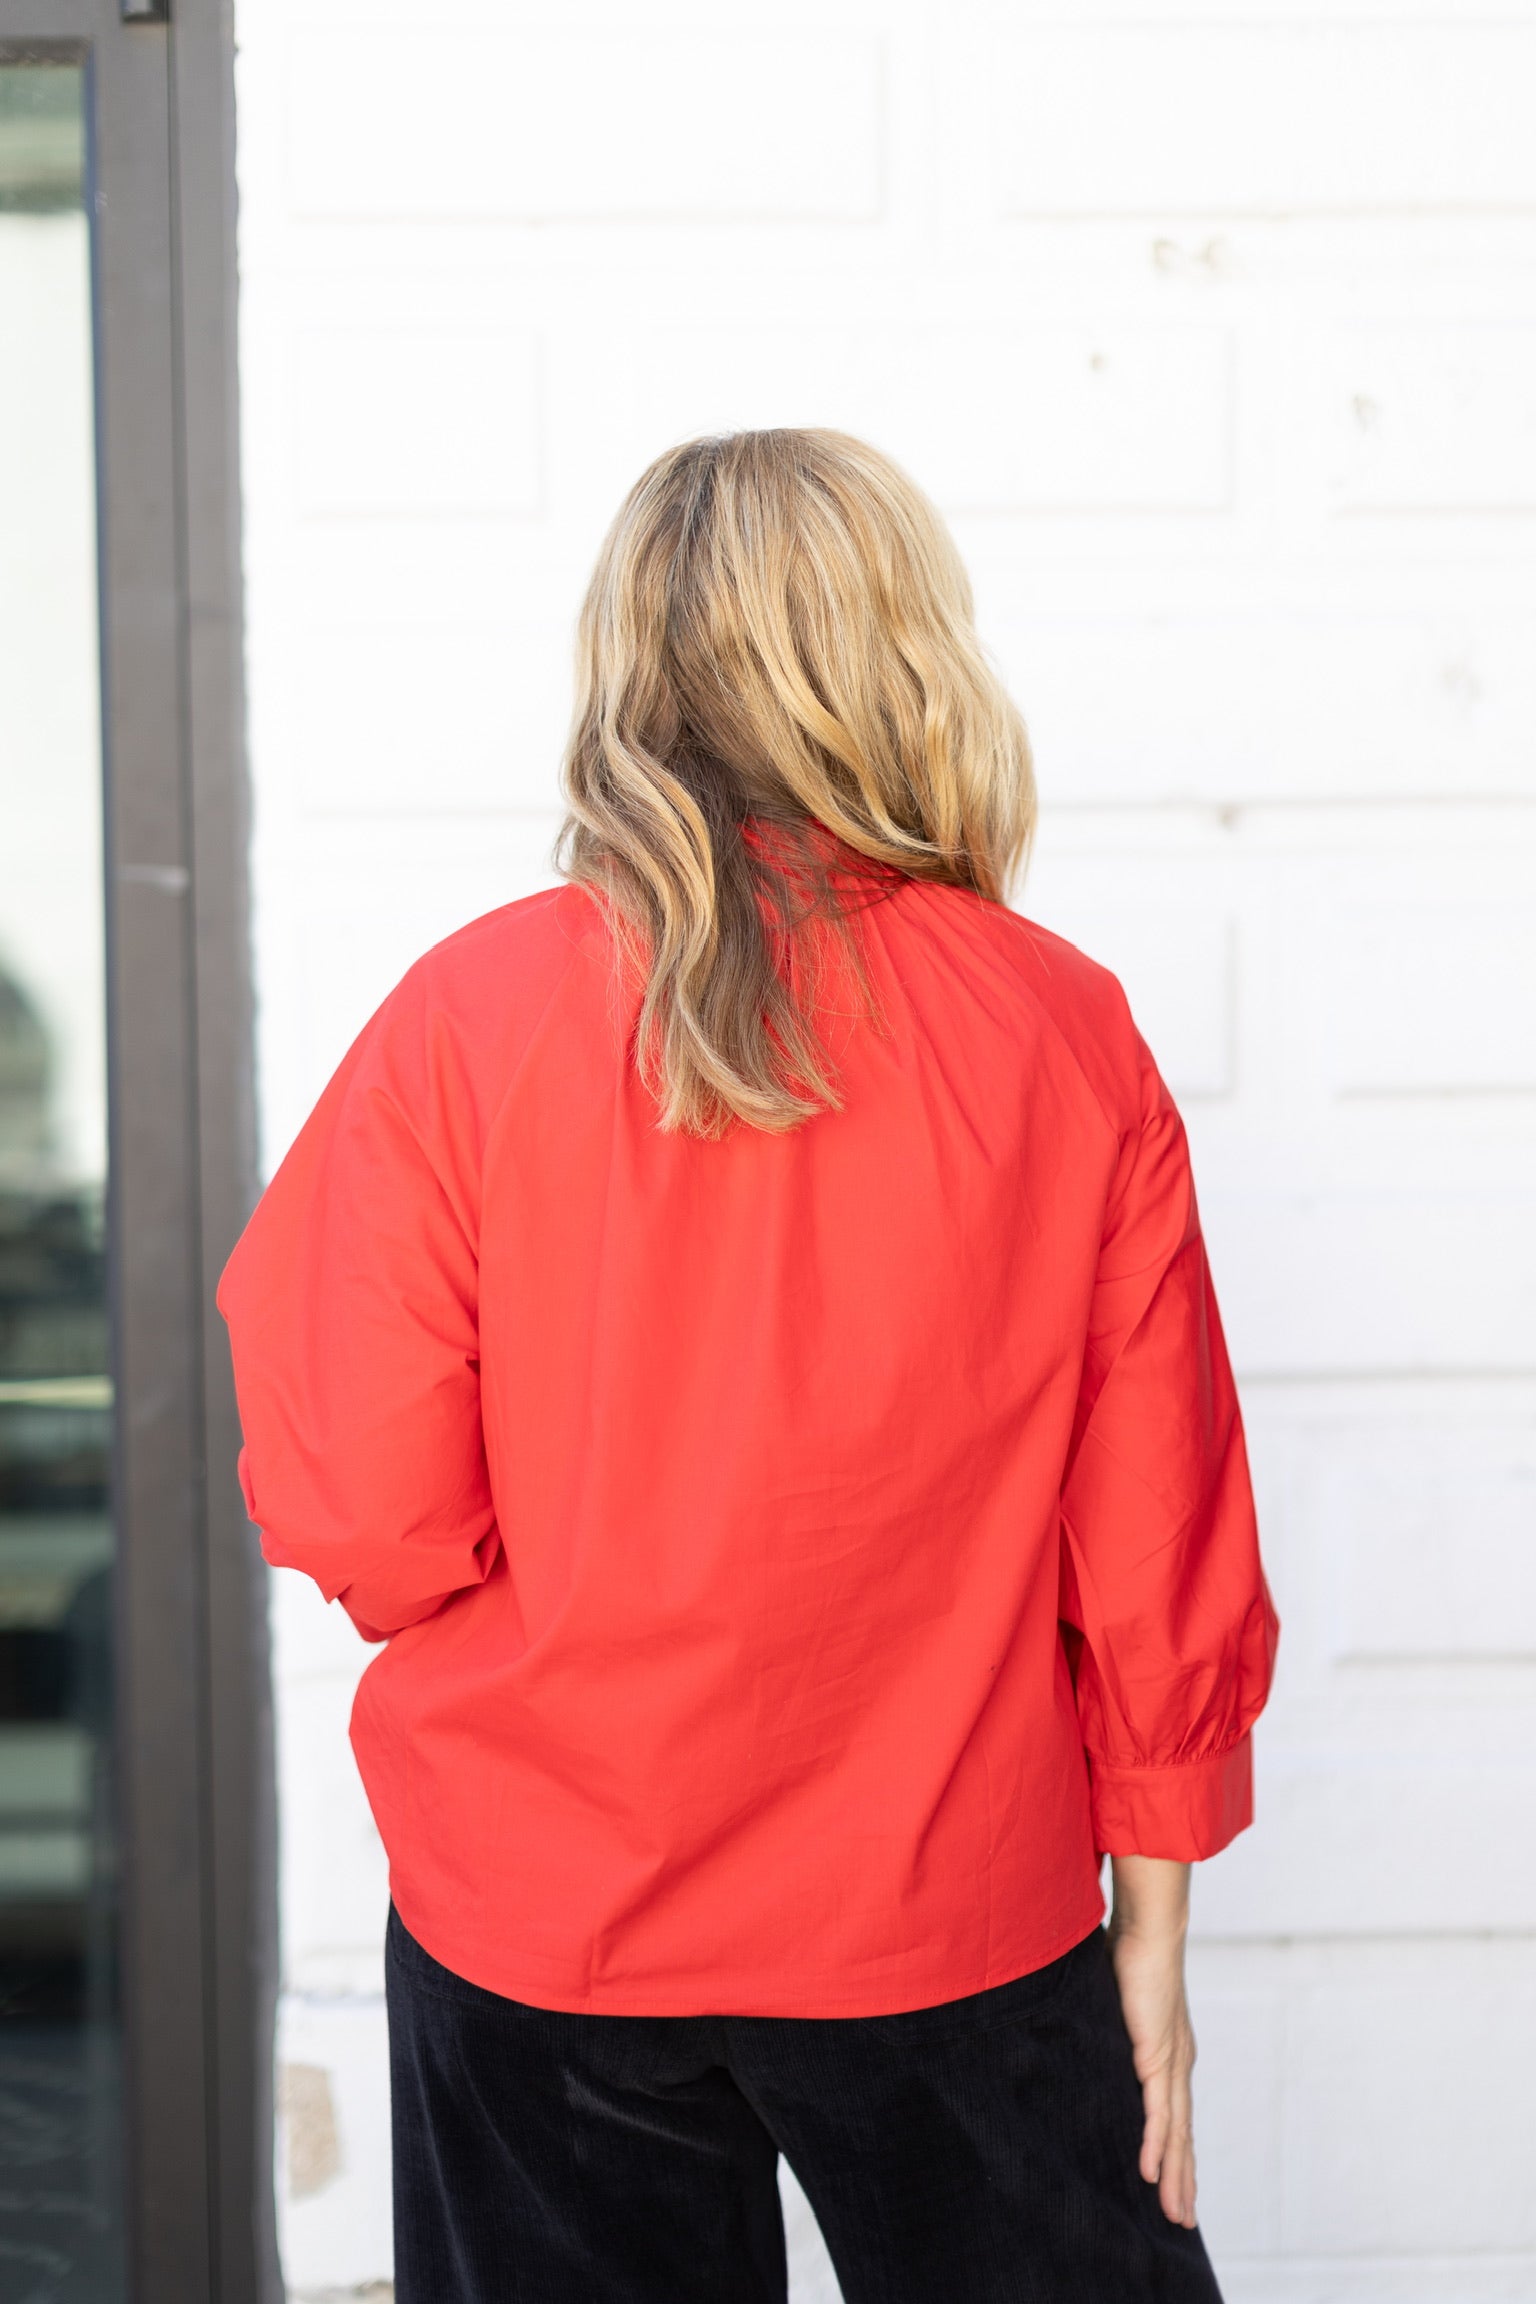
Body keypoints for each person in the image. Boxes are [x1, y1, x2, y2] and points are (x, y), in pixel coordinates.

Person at [218, 429, 1280, 2304]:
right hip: (944, 1907)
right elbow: (1158, 1533)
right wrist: (1159, 1916)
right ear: (904, 661)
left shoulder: (468, 1019)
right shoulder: (1061, 1032)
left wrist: (570, 1633)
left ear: (633, 673)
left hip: (544, 1907)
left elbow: (361, 1501)